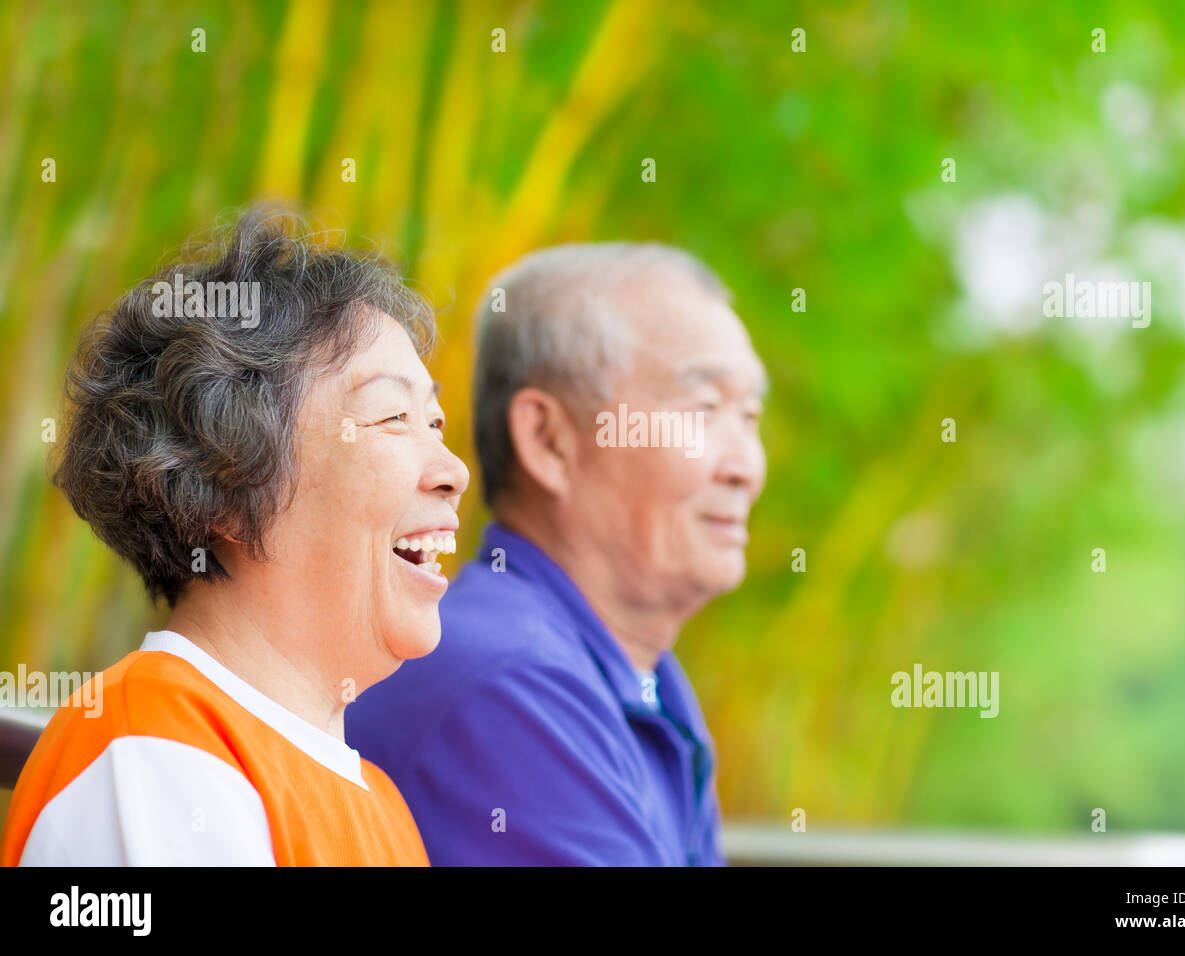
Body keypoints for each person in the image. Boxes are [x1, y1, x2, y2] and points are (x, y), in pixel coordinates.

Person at [1, 207, 468, 866]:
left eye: (437, 421)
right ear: (225, 482)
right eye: (394, 417)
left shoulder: (379, 802)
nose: (455, 471)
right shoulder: (152, 751)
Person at [347, 242, 767, 865]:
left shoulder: (644, 678)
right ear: (548, 440)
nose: (746, 469)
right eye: (703, 410)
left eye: (751, 415)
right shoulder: (509, 687)